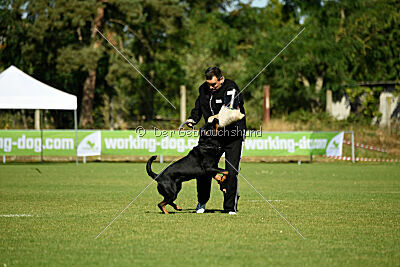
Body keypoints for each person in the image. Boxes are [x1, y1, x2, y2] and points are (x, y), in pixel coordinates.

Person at [186, 67, 246, 215]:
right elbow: (199, 107)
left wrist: (214, 119)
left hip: (233, 136)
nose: (211, 87)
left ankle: (230, 207)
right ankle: (202, 202)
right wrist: (193, 118)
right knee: (203, 169)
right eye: (208, 84)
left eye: (213, 84)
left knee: (231, 171)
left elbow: (229, 110)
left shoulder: (231, 88)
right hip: (212, 139)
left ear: (221, 79)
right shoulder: (203, 89)